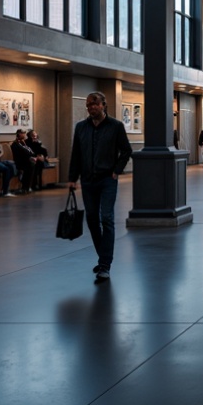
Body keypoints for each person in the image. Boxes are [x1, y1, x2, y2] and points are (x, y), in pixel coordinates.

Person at [68, 91, 133, 282]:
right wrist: (72, 178)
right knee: (91, 219)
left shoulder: (115, 126)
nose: (91, 108)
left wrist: (116, 170)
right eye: (88, 105)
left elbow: (126, 150)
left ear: (103, 105)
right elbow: (76, 154)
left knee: (107, 218)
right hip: (88, 180)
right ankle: (103, 257)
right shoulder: (81, 127)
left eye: (95, 104)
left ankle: (105, 265)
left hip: (107, 179)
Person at [11, 129, 43, 194]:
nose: (25, 134)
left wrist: (34, 157)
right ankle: (25, 186)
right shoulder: (15, 143)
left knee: (37, 163)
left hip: (27, 159)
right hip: (20, 161)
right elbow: (23, 152)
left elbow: (30, 151)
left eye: (25, 133)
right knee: (30, 164)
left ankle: (32, 185)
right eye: (23, 133)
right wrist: (31, 157)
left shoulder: (24, 143)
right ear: (19, 134)